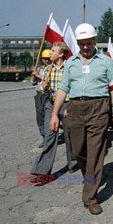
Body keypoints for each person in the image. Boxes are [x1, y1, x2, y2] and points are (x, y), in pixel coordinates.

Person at [50, 23, 113, 215]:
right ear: (78, 43)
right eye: (82, 44)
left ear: (94, 41)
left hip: (99, 108)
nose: (85, 47)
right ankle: (90, 177)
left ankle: (90, 197)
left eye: (89, 43)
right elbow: (62, 89)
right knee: (78, 150)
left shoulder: (105, 62)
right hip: (74, 108)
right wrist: (54, 114)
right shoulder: (71, 62)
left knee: (95, 152)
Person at [30, 42, 78, 184]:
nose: (50, 53)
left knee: (70, 137)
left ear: (61, 54)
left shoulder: (70, 68)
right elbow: (45, 88)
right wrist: (44, 86)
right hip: (51, 105)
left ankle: (74, 163)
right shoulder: (49, 69)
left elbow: (74, 88)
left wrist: (71, 107)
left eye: (53, 50)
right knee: (49, 137)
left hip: (67, 105)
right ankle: (42, 172)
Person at [31, 49, 51, 147]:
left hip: (49, 94)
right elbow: (33, 82)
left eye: (49, 59)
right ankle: (44, 136)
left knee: (49, 117)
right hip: (39, 94)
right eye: (45, 59)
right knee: (40, 117)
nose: (47, 61)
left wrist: (38, 75)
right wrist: (34, 75)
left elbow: (49, 80)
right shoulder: (39, 69)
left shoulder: (52, 69)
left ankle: (50, 137)